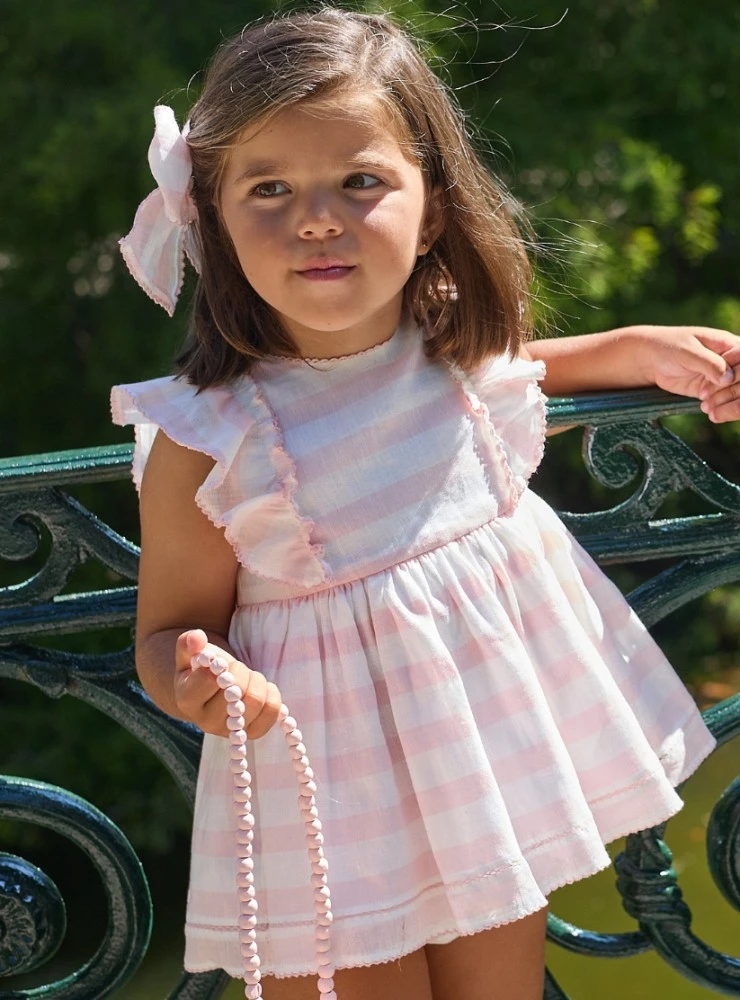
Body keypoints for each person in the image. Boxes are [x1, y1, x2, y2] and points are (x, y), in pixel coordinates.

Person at [110, 9, 740, 1000]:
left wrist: (629, 350)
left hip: (480, 774)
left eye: (358, 182)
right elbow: (165, 634)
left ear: (431, 208)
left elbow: (511, 366)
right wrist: (194, 676)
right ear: (215, 220)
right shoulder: (209, 441)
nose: (316, 217)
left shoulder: (448, 354)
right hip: (324, 801)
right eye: (268, 189)